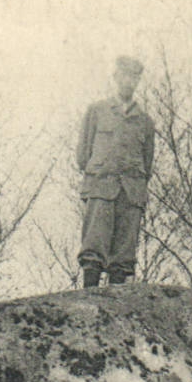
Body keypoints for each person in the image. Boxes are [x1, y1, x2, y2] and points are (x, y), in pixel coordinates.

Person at [76, 55, 155, 287]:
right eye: (125, 76)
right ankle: (88, 297)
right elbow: (83, 154)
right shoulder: (97, 111)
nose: (129, 82)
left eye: (134, 77)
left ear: (138, 81)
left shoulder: (145, 121)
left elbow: (147, 163)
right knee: (94, 246)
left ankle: (117, 307)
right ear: (115, 77)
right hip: (101, 185)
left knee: (123, 253)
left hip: (130, 192)